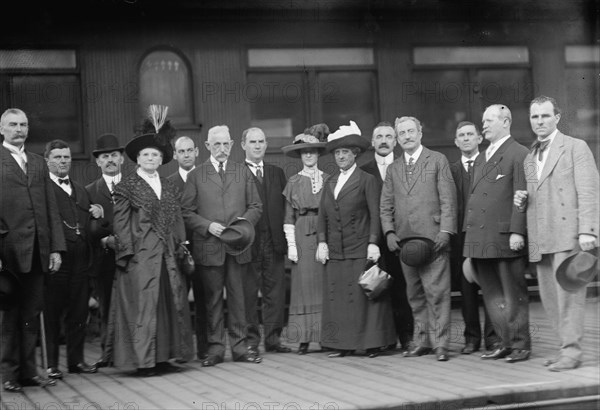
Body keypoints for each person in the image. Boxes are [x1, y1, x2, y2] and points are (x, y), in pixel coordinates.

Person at [514, 95, 599, 371]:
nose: (539, 121)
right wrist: (523, 199)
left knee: (569, 297)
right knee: (550, 298)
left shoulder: (575, 147)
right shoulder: (530, 156)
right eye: (534, 116)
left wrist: (588, 230)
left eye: (545, 115)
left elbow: (589, 191)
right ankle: (565, 347)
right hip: (541, 235)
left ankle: (572, 353)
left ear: (557, 118)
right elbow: (539, 194)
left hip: (569, 234)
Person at [112, 116, 194, 376]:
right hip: (141, 258)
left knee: (168, 302)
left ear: (161, 159)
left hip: (168, 255)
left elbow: (177, 218)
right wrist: (127, 255)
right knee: (144, 306)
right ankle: (144, 360)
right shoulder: (127, 186)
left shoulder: (168, 186)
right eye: (145, 154)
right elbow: (121, 223)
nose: (150, 158)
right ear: (137, 158)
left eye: (155, 155)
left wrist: (182, 245)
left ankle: (166, 356)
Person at [181, 125, 263, 367]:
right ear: (207, 146)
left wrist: (241, 227)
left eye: (226, 144)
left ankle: (240, 348)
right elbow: (186, 211)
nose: (222, 149)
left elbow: (256, 206)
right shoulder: (196, 175)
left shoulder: (242, 171)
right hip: (209, 246)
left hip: (238, 246)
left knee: (239, 300)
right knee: (213, 301)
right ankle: (215, 350)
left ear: (232, 144)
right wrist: (207, 226)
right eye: (216, 144)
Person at [316, 121, 396, 358]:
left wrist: (373, 242)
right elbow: (323, 215)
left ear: (355, 155)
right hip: (336, 250)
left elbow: (376, 214)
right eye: (338, 153)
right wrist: (321, 241)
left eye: (345, 153)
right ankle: (343, 344)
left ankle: (373, 343)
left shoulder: (366, 180)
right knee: (339, 297)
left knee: (365, 296)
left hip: (360, 247)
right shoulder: (330, 181)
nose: (341, 156)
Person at [380, 116, 456, 362]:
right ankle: (422, 340)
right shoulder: (393, 168)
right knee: (414, 294)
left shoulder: (437, 160)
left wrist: (445, 231)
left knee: (438, 292)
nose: (407, 136)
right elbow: (386, 205)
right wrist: (390, 233)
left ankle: (441, 344)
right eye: (402, 133)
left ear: (420, 132)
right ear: (397, 138)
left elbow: (448, 199)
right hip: (406, 244)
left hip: (434, 239)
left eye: (411, 131)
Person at [0, 108, 66, 393]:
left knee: (31, 313)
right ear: (2, 129)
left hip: (38, 250)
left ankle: (29, 371)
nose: (19, 129)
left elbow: (51, 208)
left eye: (23, 124)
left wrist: (55, 249)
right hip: (8, 251)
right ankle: (8, 373)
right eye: (13, 124)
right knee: (9, 315)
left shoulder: (39, 163)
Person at [463, 104, 531, 363]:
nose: (484, 125)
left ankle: (521, 345)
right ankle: (504, 342)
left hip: (505, 237)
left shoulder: (519, 153)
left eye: (490, 120)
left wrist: (517, 231)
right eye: (483, 120)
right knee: (492, 295)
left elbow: (521, 196)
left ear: (506, 121)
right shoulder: (481, 157)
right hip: (481, 239)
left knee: (513, 295)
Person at [43, 139, 102, 380]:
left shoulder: (80, 189)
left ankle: (76, 361)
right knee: (52, 314)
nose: (62, 161)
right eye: (57, 157)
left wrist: (98, 209)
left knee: (78, 313)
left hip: (81, 260)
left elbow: (89, 219)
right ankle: (51, 364)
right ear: (47, 160)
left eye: (66, 157)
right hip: (56, 261)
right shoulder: (41, 189)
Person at [360, 121, 414, 353]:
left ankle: (407, 337)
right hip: (374, 241)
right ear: (372, 142)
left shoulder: (407, 167)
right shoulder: (363, 171)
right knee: (376, 289)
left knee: (403, 288)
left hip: (400, 238)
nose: (383, 140)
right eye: (379, 136)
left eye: (388, 136)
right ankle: (381, 339)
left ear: (396, 141)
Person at [449, 121, 499, 355]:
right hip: (461, 238)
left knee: (489, 285)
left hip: (486, 234)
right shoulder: (450, 170)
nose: (466, 138)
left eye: (471, 134)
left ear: (480, 138)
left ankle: (493, 338)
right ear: (456, 141)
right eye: (462, 135)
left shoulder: (490, 165)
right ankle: (471, 338)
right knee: (467, 290)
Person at [241, 127, 290, 357]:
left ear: (266, 144)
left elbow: (285, 208)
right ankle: (251, 341)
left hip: (274, 242)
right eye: (253, 142)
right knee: (249, 294)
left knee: (276, 293)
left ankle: (273, 339)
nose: (257, 146)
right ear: (243, 145)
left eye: (261, 141)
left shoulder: (276, 173)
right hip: (249, 244)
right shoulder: (236, 173)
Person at [281, 133, 328, 354]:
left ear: (318, 153)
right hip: (301, 234)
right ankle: (303, 339)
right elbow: (288, 217)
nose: (309, 154)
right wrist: (291, 244)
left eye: (312, 150)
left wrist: (327, 240)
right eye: (304, 151)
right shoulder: (293, 181)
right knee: (302, 287)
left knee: (323, 285)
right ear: (300, 155)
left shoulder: (329, 180)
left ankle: (326, 336)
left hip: (322, 232)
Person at [85, 133, 125, 368]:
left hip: (131, 257)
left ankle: (129, 352)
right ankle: (107, 353)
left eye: (113, 155)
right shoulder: (90, 191)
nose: (109, 160)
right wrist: (103, 241)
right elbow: (87, 228)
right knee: (106, 305)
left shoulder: (134, 186)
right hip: (104, 258)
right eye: (104, 157)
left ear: (121, 159)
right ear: (98, 162)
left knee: (131, 303)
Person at [168, 136, 209, 361]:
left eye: (189, 150)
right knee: (179, 300)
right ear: (174, 155)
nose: (185, 154)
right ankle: (183, 351)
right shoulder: (168, 183)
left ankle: (204, 349)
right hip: (178, 251)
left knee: (204, 300)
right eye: (181, 151)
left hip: (203, 246)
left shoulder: (206, 178)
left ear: (196, 152)